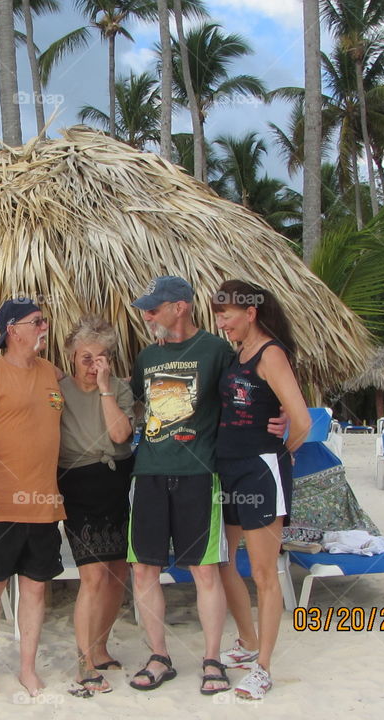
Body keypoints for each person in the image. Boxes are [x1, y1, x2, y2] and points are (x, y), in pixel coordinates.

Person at [127, 275, 235, 695]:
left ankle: (212, 659)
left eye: (154, 308)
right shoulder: (146, 356)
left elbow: (241, 400)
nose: (148, 315)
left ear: (180, 307)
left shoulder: (216, 351)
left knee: (205, 571)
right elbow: (138, 404)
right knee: (143, 571)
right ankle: (159, 656)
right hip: (149, 472)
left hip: (198, 474)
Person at [0, 298, 65, 698]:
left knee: (36, 587)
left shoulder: (53, 373)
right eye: (36, 322)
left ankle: (26, 667)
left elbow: (86, 396)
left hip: (43, 500)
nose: (44, 327)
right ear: (12, 329)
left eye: (44, 321)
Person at [212, 280, 310, 700]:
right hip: (228, 470)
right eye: (218, 315)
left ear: (250, 312)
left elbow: (302, 419)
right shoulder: (239, 353)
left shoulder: (271, 354)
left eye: (227, 315)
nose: (222, 323)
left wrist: (277, 452)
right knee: (224, 561)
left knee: (265, 573)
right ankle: (248, 641)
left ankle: (264, 667)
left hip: (260, 471)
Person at [57, 315, 134, 696]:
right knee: (93, 575)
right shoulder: (57, 390)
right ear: (72, 356)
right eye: (85, 357)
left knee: (119, 571)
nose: (92, 365)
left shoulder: (119, 389)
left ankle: (101, 648)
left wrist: (104, 389)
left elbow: (120, 434)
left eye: (101, 357)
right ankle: (84, 663)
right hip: (80, 484)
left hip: (117, 481)